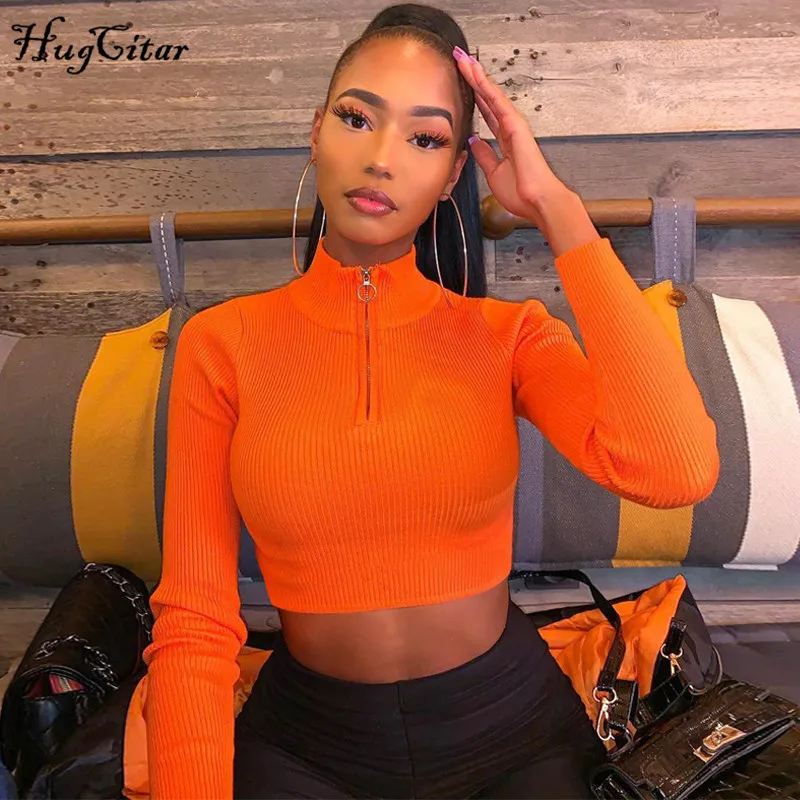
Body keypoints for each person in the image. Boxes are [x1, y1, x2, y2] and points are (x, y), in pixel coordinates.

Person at [141, 4, 720, 798]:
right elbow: (195, 618)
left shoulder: (509, 336)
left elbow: (676, 469)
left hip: (510, 727)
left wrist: (557, 208)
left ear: (453, 174)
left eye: (425, 138)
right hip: (310, 741)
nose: (381, 158)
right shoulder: (223, 344)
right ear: (316, 132)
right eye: (357, 119)